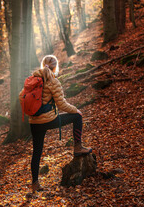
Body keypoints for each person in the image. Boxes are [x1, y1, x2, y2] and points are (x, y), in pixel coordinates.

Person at [27, 55, 92, 193]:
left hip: (34, 121)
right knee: (76, 117)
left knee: (37, 152)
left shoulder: (32, 79)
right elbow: (62, 104)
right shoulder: (52, 81)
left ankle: (35, 184)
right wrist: (76, 110)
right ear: (55, 67)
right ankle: (78, 147)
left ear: (42, 65)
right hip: (47, 120)